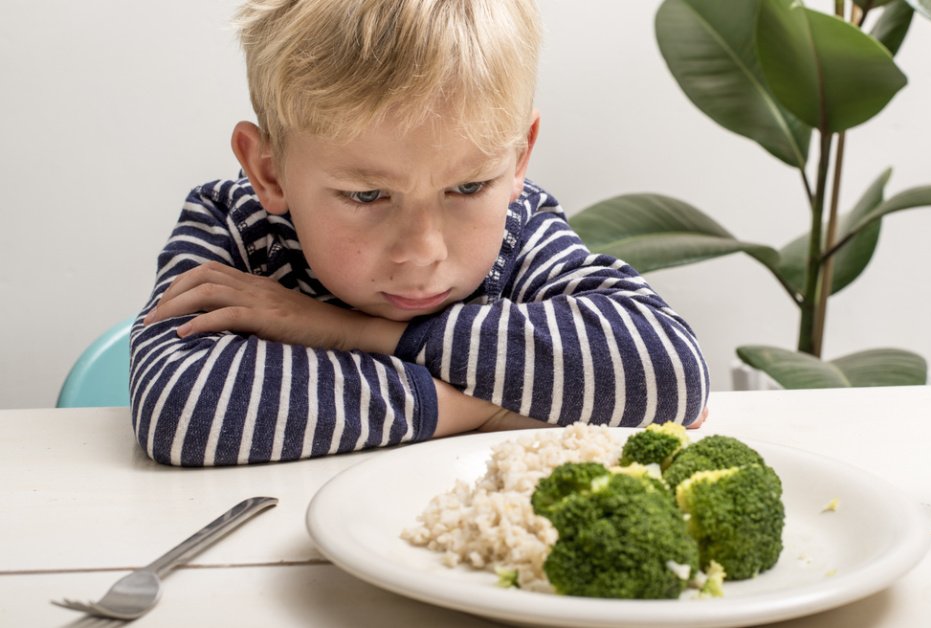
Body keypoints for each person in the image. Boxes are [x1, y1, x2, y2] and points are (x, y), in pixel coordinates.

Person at [130, 0, 709, 467]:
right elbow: (185, 411)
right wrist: (478, 410)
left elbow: (672, 370)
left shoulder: (520, 227)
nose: (423, 253)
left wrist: (350, 333)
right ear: (269, 170)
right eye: (366, 195)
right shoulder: (233, 225)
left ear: (519, 156)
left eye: (467, 188)